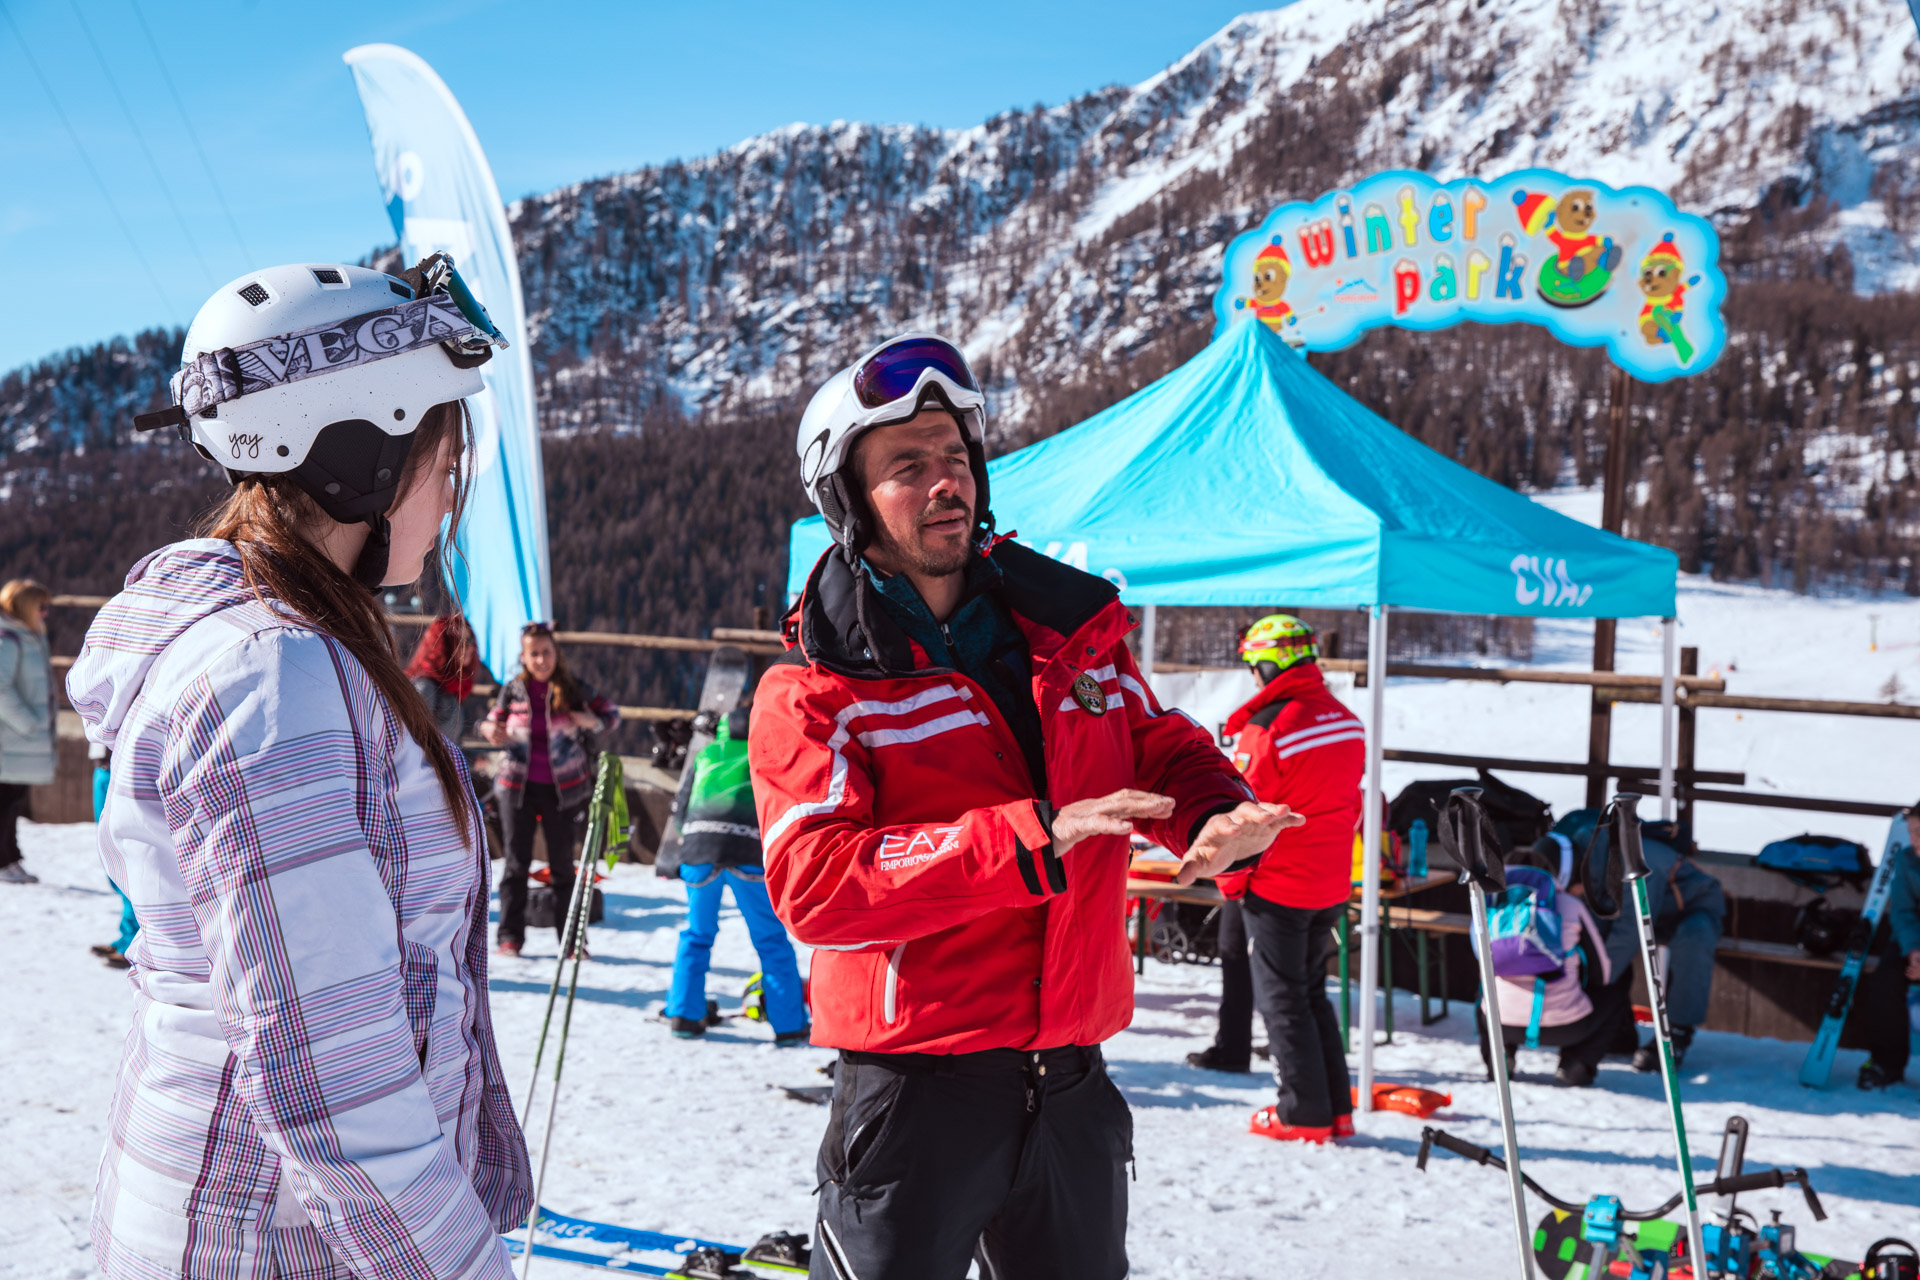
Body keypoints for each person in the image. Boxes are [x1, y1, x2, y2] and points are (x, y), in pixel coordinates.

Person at [750, 333, 1297, 1280]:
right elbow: (816, 884)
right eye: (907, 467)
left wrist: (1210, 808)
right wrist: (1033, 838)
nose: (945, 483)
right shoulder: (816, 692)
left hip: (1073, 1079)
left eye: (955, 457)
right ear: (849, 500)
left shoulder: (1067, 639)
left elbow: (1154, 744)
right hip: (916, 1094)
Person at [66, 258, 532, 1280]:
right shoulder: (270, 674)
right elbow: (330, 1079)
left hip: (265, 1218)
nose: (451, 493)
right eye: (443, 459)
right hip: (274, 1240)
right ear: (362, 453)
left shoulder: (278, 650)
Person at [1200, 615, 1367, 1143]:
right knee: (1311, 993)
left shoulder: (1268, 729)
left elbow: (1240, 819)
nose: (1252, 676)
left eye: (1254, 665)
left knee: (1282, 1000)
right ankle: (1336, 1110)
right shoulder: (1345, 719)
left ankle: (1303, 1114)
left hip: (1278, 886)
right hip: (1330, 881)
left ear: (1270, 664)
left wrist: (1232, 886)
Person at [665, 703, 810, 1044]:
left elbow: (680, 811)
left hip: (699, 849)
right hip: (748, 852)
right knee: (770, 939)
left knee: (697, 934)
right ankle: (789, 1025)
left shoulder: (706, 755)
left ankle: (684, 1015)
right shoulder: (767, 754)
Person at [480, 622, 619, 957]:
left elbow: (612, 715)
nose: (541, 660)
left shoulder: (573, 689)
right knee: (516, 864)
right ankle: (509, 938)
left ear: (556, 653)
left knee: (562, 866)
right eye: (534, 654)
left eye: (546, 653)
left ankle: (571, 942)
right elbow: (491, 720)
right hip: (516, 787)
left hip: (564, 790)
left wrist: (592, 721)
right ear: (524, 657)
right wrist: (488, 729)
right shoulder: (513, 690)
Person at [1549, 808, 1725, 1070]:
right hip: (1641, 907)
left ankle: (1677, 1033)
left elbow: (1631, 928)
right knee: (1598, 944)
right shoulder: (1588, 856)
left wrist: (1594, 980)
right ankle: (1618, 1029)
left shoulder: (1638, 858)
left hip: (1689, 907)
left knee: (1694, 938)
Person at [1476, 839, 1627, 1088]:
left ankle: (1499, 1061)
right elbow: (1603, 971)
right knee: (1616, 992)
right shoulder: (1570, 905)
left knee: (1485, 992)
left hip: (1500, 1023)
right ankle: (1577, 1064)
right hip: (1567, 1026)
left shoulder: (1490, 905)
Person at [1859, 807, 1920, 1090]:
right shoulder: (1907, 860)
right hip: (1911, 941)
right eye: (1911, 832)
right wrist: (1914, 951)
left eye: (1919, 832)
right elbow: (1902, 911)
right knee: (1886, 981)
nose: (1914, 840)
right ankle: (1886, 1063)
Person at [0, 577, 54, 885]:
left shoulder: (26, 636)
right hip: (10, 740)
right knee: (6, 802)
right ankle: (4, 861)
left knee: (12, 801)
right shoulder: (8, 639)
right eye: (40, 606)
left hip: (19, 742)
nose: (45, 613)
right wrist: (29, 723)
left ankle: (10, 857)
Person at [85, 742, 140, 968]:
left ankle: (135, 942)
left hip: (126, 768)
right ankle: (127, 936)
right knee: (112, 855)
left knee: (128, 858)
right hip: (104, 767)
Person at [408, 612, 483, 740]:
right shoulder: (425, 688)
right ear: (443, 646)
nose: (469, 647)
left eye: (470, 640)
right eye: (460, 641)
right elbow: (411, 739)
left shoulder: (453, 687)